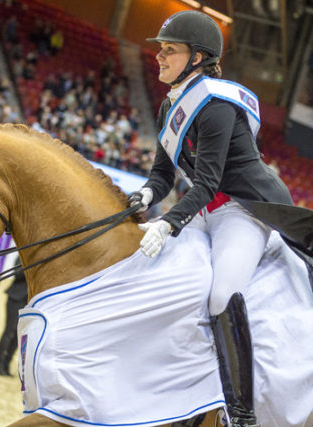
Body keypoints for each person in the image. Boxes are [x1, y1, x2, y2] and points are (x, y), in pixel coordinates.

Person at [128, 10, 313, 427]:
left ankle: (240, 411)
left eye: (169, 50)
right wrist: (143, 195)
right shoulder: (169, 108)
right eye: (160, 50)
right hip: (205, 209)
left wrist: (168, 222)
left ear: (197, 58)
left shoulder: (215, 105)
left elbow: (208, 182)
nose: (159, 56)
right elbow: (162, 175)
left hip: (242, 209)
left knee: (221, 294)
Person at [0, 256, 27, 376]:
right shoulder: (23, 255)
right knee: (9, 331)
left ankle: (6, 364)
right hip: (15, 297)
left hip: (28, 302)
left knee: (19, 336)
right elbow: (17, 274)